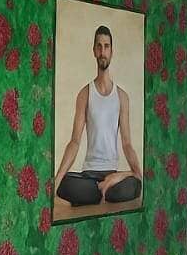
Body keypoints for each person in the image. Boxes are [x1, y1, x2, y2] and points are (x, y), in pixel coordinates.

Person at [52, 25, 143, 207]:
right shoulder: (85, 94)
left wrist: (127, 174)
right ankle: (101, 190)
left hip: (112, 174)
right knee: (62, 183)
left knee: (135, 184)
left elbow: (126, 144)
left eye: (106, 46)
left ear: (112, 51)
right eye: (99, 46)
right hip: (88, 175)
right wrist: (57, 178)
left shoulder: (122, 97)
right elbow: (75, 141)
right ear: (94, 51)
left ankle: (106, 187)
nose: (103, 51)